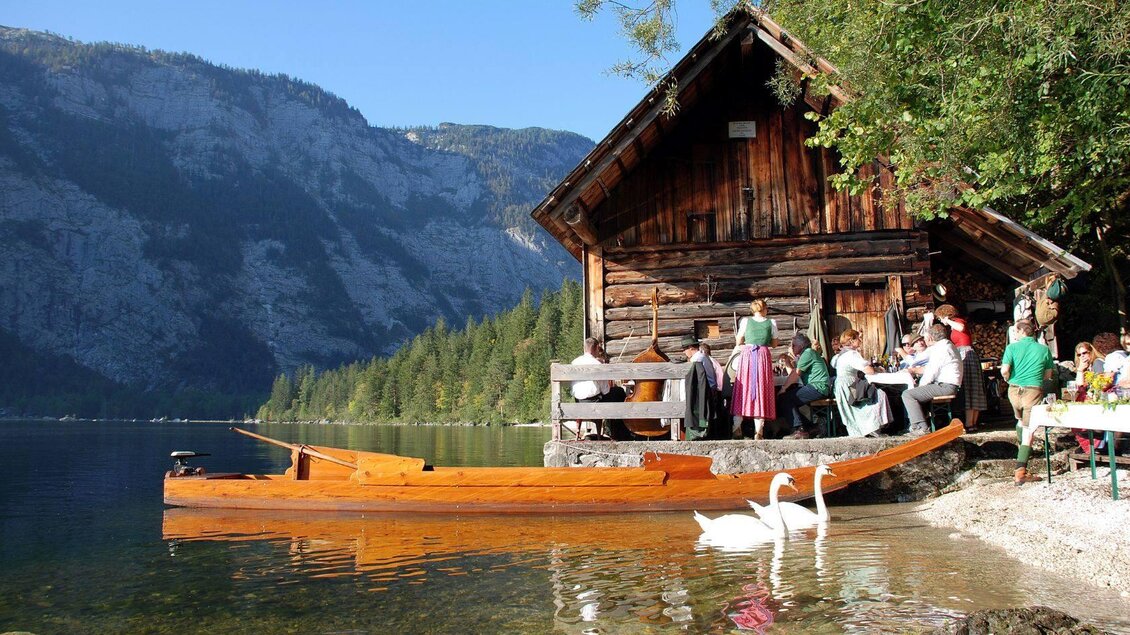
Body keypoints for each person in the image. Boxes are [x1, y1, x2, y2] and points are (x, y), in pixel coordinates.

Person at [1000, 320, 1054, 486]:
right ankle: (1021, 470)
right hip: (1033, 390)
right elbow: (1048, 375)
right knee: (1029, 429)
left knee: (1020, 422)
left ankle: (1022, 453)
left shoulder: (1011, 348)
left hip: (1014, 390)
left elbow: (1004, 370)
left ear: (1020, 332)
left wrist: (1008, 378)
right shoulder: (1044, 349)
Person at [902, 323, 963, 436]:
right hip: (948, 385)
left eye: (925, 338)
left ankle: (921, 428)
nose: (924, 340)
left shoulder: (940, 349)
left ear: (930, 337)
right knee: (916, 391)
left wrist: (920, 386)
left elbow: (931, 372)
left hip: (945, 386)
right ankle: (928, 423)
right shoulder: (948, 345)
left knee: (908, 394)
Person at [730, 299, 778, 440]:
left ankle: (736, 427)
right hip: (762, 355)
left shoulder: (745, 321)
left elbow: (739, 341)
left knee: (743, 389)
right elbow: (775, 343)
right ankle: (759, 431)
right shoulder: (771, 323)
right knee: (761, 390)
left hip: (748, 356)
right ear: (765, 309)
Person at [832, 329, 892, 437]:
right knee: (878, 395)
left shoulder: (841, 355)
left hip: (841, 384)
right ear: (851, 340)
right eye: (858, 338)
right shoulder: (852, 354)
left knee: (855, 408)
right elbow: (869, 370)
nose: (860, 340)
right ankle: (872, 428)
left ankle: (864, 430)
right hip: (849, 385)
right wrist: (878, 369)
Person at [569, 337, 627, 439]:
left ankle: (579, 434)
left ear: (585, 348)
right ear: (596, 348)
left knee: (612, 394)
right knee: (619, 392)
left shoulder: (574, 362)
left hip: (578, 402)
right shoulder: (597, 364)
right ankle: (617, 433)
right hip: (595, 402)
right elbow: (605, 391)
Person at [778, 334, 831, 439]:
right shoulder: (807, 354)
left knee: (786, 399)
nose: (792, 348)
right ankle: (811, 427)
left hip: (818, 387)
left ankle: (799, 429)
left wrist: (783, 388)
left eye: (794, 345)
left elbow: (796, 373)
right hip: (818, 387)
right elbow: (795, 372)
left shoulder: (808, 353)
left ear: (801, 346)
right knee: (788, 400)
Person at [682, 336, 718, 440]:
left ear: (691, 348)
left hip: (703, 391)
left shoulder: (697, 358)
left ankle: (698, 433)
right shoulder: (703, 356)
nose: (684, 352)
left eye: (685, 349)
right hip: (709, 388)